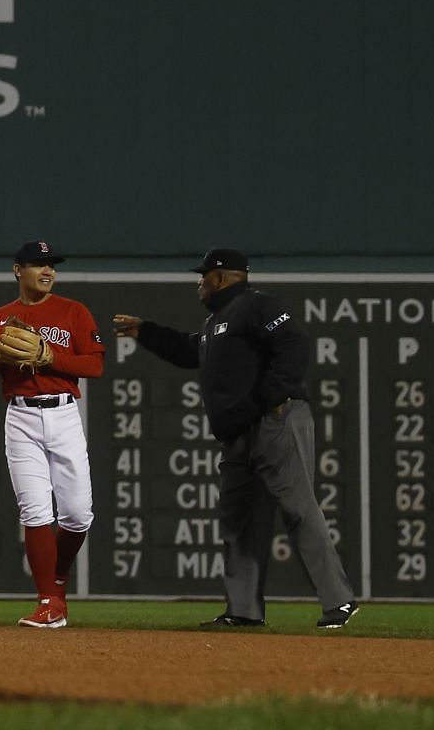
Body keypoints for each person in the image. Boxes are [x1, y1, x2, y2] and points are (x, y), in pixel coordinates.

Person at [114, 249, 359, 631]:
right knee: (238, 524)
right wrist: (146, 331)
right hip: (238, 435)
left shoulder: (257, 306)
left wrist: (275, 399)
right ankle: (243, 611)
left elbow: (294, 345)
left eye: (204, 276)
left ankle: (339, 601)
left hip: (274, 422)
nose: (199, 282)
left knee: (298, 508)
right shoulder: (217, 324)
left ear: (223, 277)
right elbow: (188, 349)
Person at [0, 242, 104, 628]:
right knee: (35, 511)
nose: (47, 271)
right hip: (21, 417)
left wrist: (50, 357)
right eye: (37, 265)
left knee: (78, 515)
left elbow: (94, 366)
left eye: (51, 265)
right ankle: (48, 601)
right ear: (17, 270)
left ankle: (57, 584)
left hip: (63, 413)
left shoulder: (73, 311)